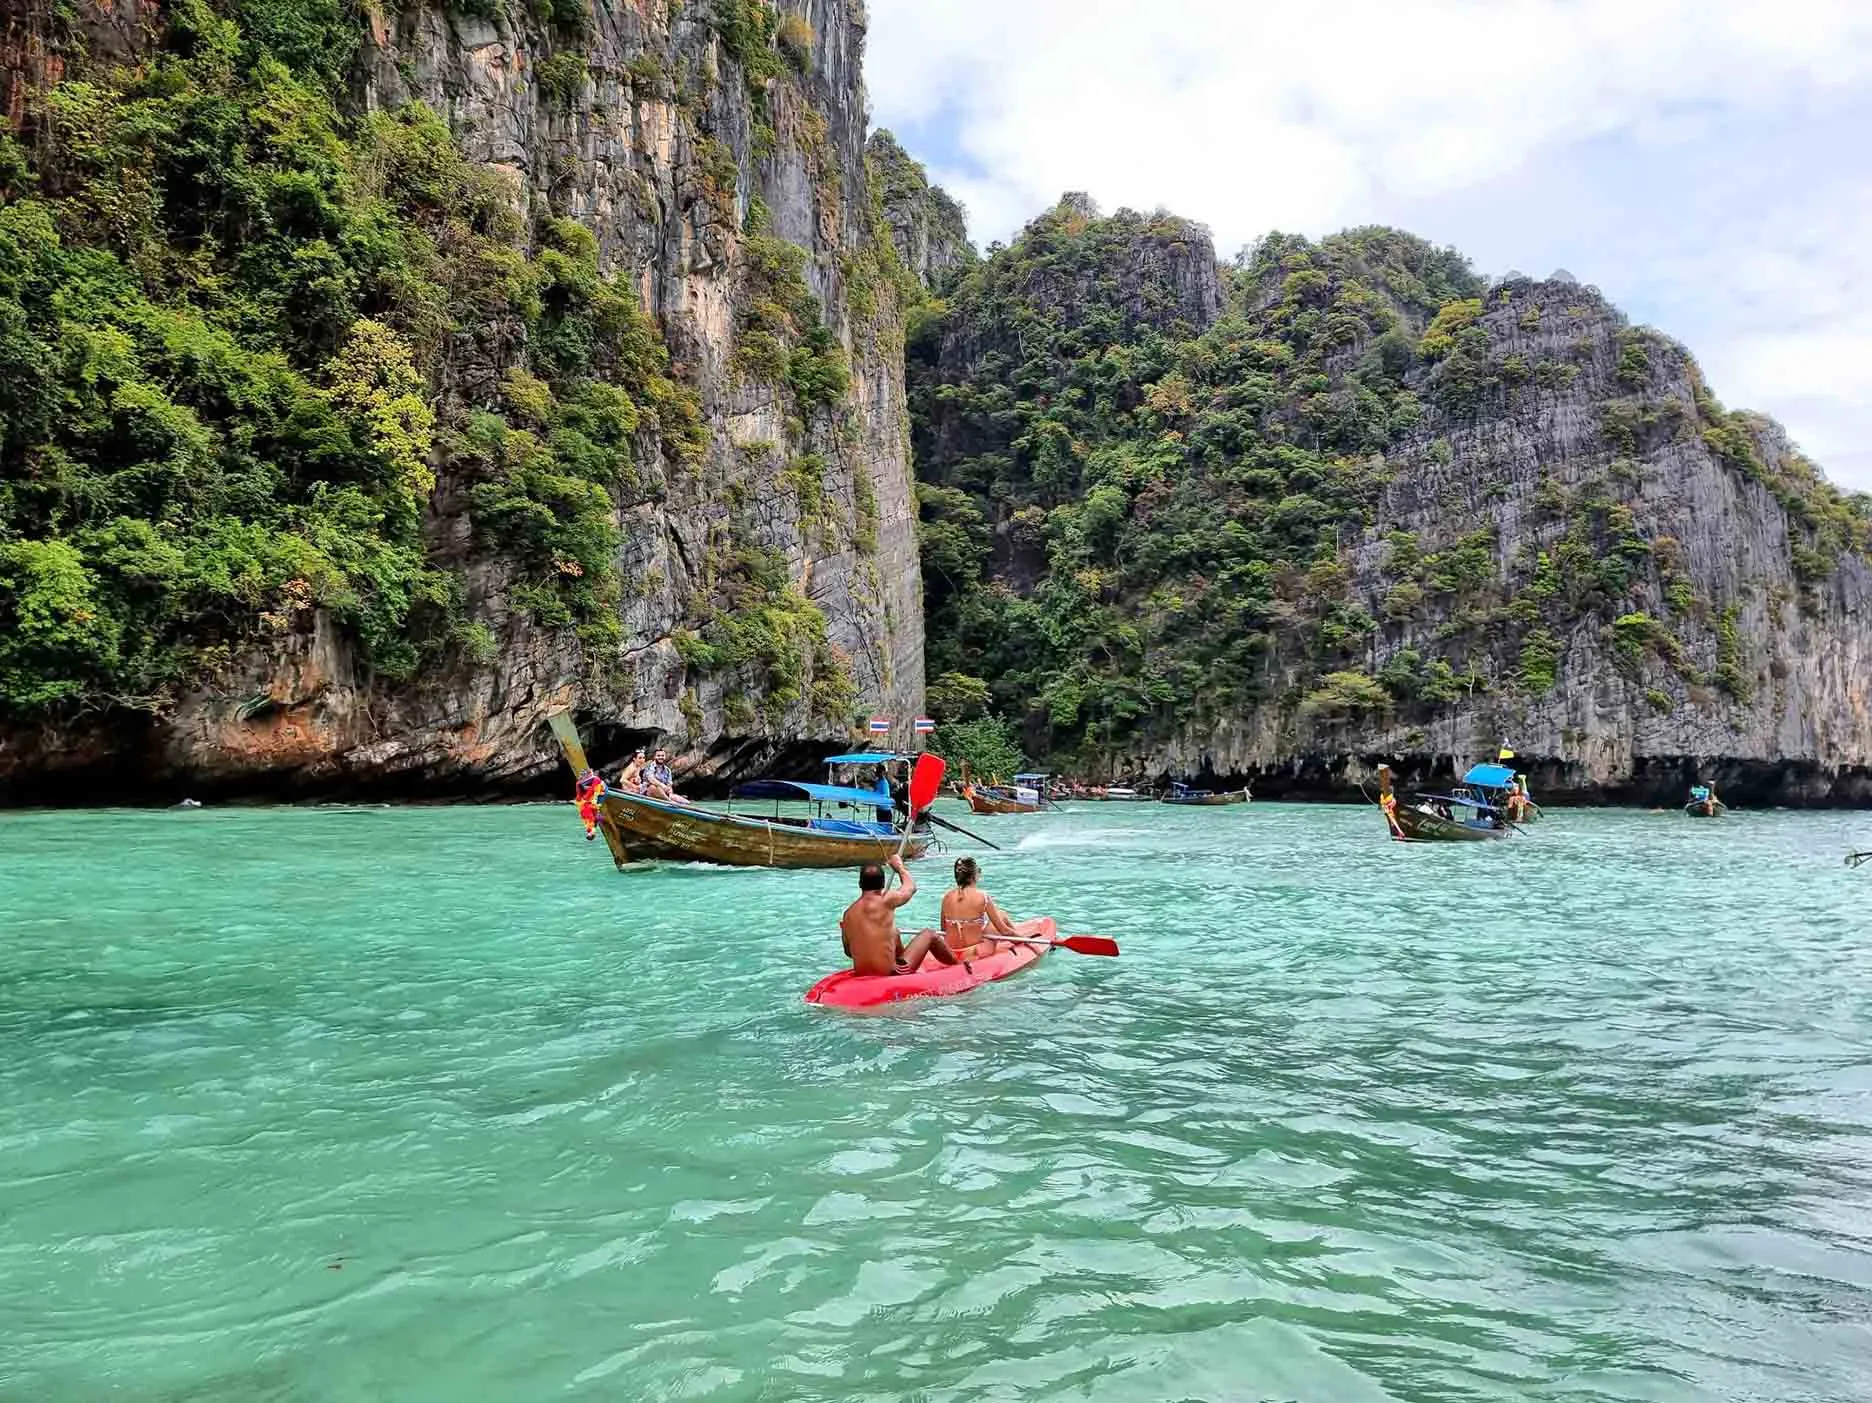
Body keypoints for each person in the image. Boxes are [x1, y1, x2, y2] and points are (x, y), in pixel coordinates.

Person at [840, 854, 962, 976]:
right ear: (883, 885)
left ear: (860, 884)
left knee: (894, 932)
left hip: (863, 973)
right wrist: (899, 867)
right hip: (891, 973)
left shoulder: (848, 914)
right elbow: (910, 888)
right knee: (929, 934)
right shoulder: (885, 899)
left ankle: (894, 961)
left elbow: (849, 952)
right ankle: (959, 967)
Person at [941, 857, 1023, 959]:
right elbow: (1004, 931)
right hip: (974, 951)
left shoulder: (946, 897)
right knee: (1002, 915)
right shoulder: (983, 896)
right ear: (974, 876)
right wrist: (1024, 940)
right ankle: (1020, 943)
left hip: (951, 951)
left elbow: (944, 929)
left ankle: (1015, 938)